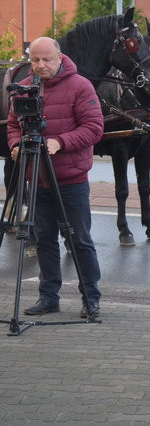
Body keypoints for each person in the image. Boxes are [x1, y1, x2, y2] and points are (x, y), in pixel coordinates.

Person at [7, 37, 104, 319]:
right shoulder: (23, 88)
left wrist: (60, 142)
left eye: (46, 59)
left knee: (79, 241)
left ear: (59, 57)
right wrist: (15, 146)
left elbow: (94, 128)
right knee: (44, 240)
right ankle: (49, 297)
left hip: (70, 180)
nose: (40, 65)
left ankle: (91, 300)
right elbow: (14, 125)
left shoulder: (80, 86)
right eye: (35, 60)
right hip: (36, 178)